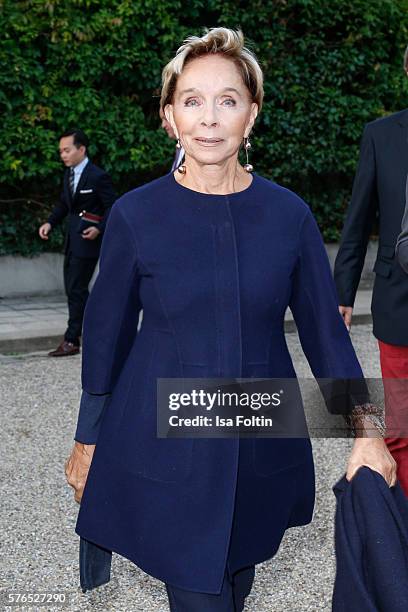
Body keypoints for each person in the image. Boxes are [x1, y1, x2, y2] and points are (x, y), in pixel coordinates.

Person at [65, 28, 396, 611]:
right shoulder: (135, 215)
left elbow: (326, 337)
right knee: (200, 593)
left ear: (252, 115)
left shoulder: (288, 215)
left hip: (260, 439)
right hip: (164, 440)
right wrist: (88, 440)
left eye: (227, 100)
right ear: (169, 117)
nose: (209, 118)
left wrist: (368, 433)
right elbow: (107, 337)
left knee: (234, 582)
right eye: (191, 100)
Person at [334, 45, 408, 495]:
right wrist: (342, 291)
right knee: (398, 427)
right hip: (398, 302)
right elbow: (358, 219)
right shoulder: (381, 135)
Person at [39, 129, 116, 357]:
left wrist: (99, 229)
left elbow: (113, 205)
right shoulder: (69, 174)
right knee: (75, 291)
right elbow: (65, 204)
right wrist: (50, 223)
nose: (63, 155)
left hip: (88, 242)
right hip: (71, 241)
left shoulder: (97, 176)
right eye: (61, 151)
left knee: (77, 290)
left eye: (67, 150)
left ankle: (72, 339)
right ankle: (100, 330)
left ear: (81, 149)